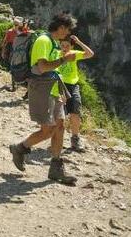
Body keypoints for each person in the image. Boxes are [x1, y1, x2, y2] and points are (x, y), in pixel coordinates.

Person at [8, 13, 79, 185]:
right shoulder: (44, 41)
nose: (68, 33)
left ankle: (56, 168)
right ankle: (20, 148)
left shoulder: (53, 42)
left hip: (54, 90)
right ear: (61, 27)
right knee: (48, 130)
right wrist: (64, 59)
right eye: (68, 29)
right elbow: (41, 67)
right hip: (41, 89)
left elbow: (51, 68)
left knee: (60, 127)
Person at [51, 35, 94, 152]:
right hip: (59, 85)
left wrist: (79, 42)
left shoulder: (73, 54)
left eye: (67, 46)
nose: (64, 48)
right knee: (60, 116)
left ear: (71, 46)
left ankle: (75, 139)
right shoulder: (55, 54)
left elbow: (90, 54)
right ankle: (57, 140)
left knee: (75, 112)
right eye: (63, 45)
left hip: (73, 86)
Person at [1, 18, 22, 91]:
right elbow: (5, 42)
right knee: (13, 66)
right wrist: (3, 51)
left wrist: (3, 51)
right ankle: (14, 84)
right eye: (16, 25)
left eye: (17, 25)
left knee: (14, 66)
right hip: (15, 50)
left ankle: (15, 84)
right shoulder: (16, 32)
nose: (16, 26)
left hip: (15, 50)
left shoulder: (18, 32)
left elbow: (4, 42)